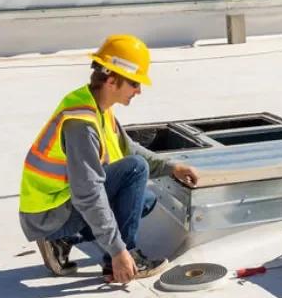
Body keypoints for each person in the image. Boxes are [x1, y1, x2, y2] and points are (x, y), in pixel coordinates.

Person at [18, 34, 200, 283]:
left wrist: (172, 168)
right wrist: (117, 251)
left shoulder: (98, 107)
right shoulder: (81, 123)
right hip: (47, 216)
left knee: (144, 200)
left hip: (59, 207)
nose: (139, 91)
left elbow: (130, 150)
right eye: (134, 83)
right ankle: (122, 261)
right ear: (112, 81)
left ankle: (63, 239)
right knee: (135, 171)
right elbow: (88, 193)